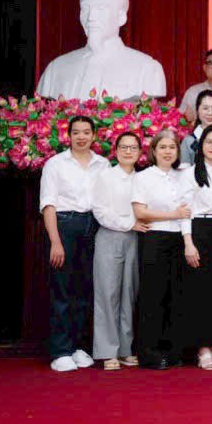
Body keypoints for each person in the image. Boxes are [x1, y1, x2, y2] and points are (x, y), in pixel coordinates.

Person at [40, 115, 109, 372]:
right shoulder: (55, 164)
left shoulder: (103, 164)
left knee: (85, 289)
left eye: (86, 132)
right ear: (68, 136)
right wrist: (55, 242)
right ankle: (61, 351)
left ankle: (78, 347)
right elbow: (48, 204)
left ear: (94, 135)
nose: (81, 137)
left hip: (94, 226)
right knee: (63, 289)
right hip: (65, 226)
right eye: (76, 132)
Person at [35, 0, 166, 100]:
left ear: (121, 17)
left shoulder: (147, 70)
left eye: (101, 8)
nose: (90, 17)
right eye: (85, 8)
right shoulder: (55, 69)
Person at [131, 128, 190, 370]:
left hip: (178, 239)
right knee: (153, 295)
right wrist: (173, 214)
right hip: (154, 238)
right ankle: (149, 353)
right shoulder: (143, 177)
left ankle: (172, 351)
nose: (168, 152)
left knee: (175, 295)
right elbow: (140, 212)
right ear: (154, 151)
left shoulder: (183, 175)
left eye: (172, 147)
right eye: (162, 147)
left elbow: (188, 210)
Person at [178, 124, 212, 371]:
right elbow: (185, 211)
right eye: (209, 142)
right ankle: (202, 348)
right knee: (200, 291)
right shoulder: (190, 173)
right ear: (201, 146)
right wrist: (188, 242)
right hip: (200, 231)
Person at [90, 130, 144, 370]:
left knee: (129, 294)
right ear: (116, 151)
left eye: (133, 148)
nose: (128, 151)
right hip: (110, 236)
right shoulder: (105, 176)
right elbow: (100, 210)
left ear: (140, 152)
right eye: (124, 147)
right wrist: (128, 223)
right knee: (108, 294)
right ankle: (107, 351)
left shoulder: (142, 178)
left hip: (135, 238)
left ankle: (125, 349)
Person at [179, 48, 212, 120]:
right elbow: (180, 119)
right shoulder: (193, 92)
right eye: (211, 63)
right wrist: (186, 119)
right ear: (204, 67)